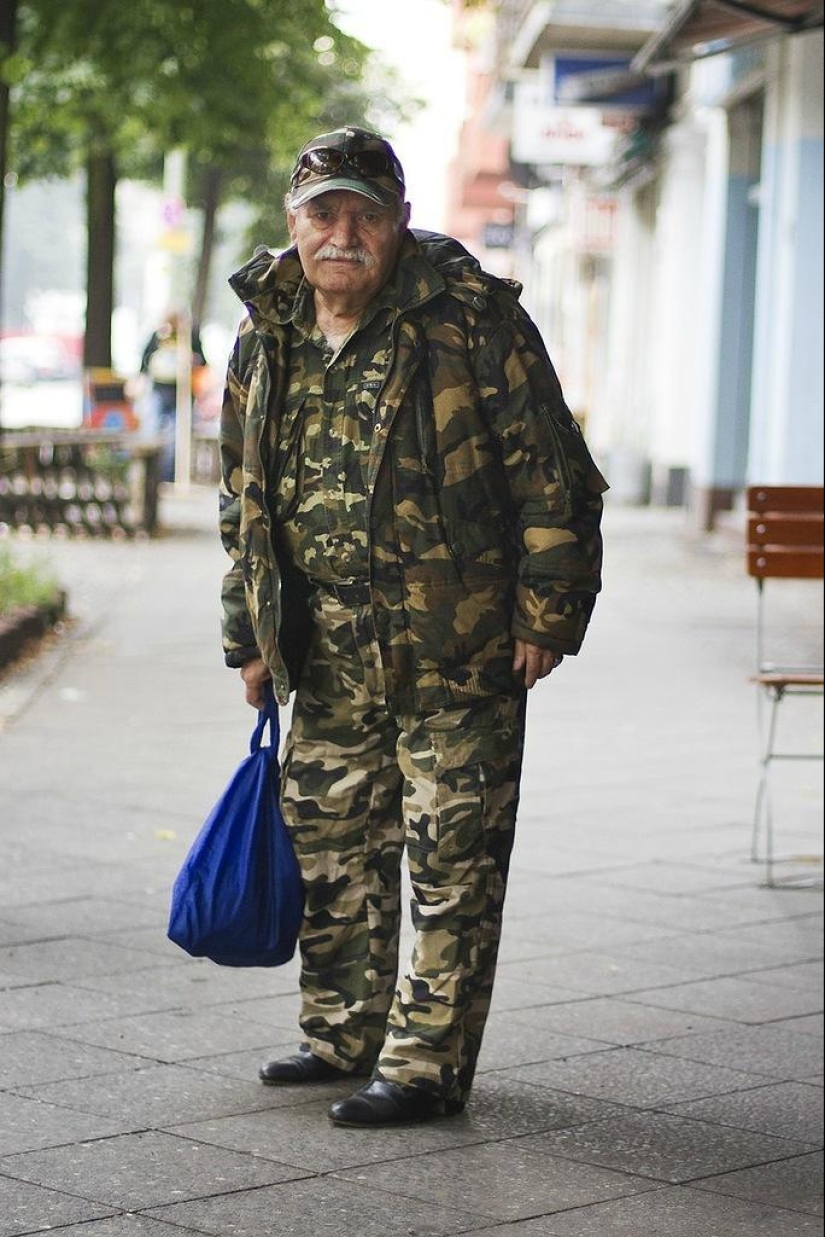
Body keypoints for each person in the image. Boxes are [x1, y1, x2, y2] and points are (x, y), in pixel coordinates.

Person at [218, 126, 607, 1129]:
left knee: (451, 861)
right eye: (324, 212)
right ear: (293, 222)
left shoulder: (467, 317)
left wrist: (547, 613)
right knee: (332, 850)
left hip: (458, 648)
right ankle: (344, 1032)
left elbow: (553, 473)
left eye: (367, 213)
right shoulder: (268, 328)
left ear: (398, 221)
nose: (344, 233)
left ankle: (426, 1065)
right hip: (328, 655)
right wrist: (251, 636)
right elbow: (244, 500)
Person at [139, 311, 206, 482]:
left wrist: (193, 360)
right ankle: (148, 476)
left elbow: (203, 362)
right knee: (151, 431)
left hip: (181, 394)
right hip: (159, 391)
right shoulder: (158, 335)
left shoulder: (190, 337)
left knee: (176, 438)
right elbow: (145, 361)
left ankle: (168, 477)